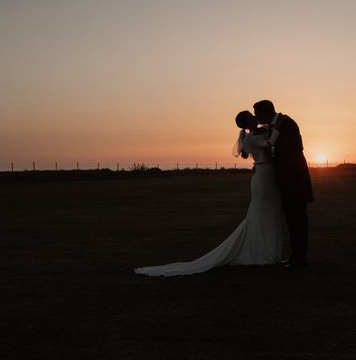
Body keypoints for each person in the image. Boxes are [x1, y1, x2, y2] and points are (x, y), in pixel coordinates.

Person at [134, 111, 283, 277]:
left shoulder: (259, 131)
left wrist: (271, 128)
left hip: (268, 177)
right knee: (261, 214)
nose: (254, 116)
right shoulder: (249, 139)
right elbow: (269, 145)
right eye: (250, 115)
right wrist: (277, 128)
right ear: (247, 121)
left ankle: (270, 250)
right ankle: (264, 252)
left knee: (269, 213)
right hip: (262, 178)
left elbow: (266, 133)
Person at [253, 100, 313, 268]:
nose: (256, 117)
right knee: (292, 220)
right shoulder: (274, 126)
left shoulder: (287, 123)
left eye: (257, 114)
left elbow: (295, 148)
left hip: (295, 180)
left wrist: (271, 152)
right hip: (286, 181)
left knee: (298, 220)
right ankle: (295, 255)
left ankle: (300, 258)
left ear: (265, 113)